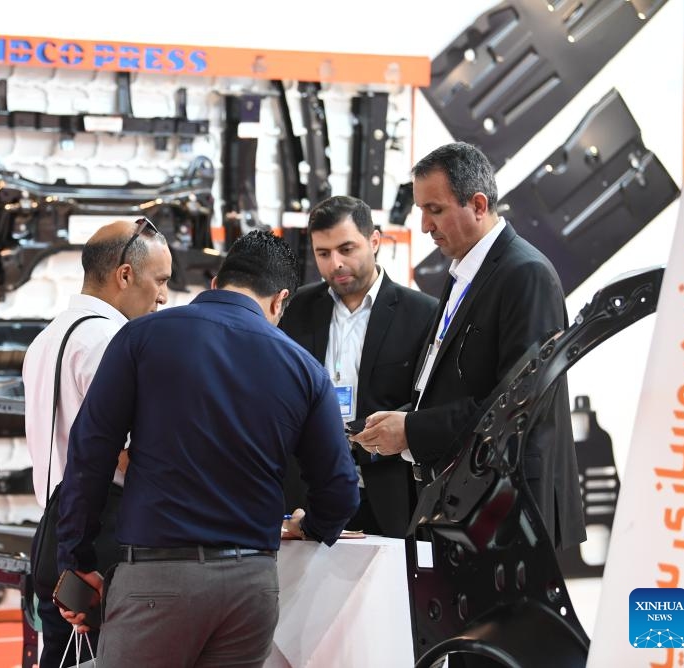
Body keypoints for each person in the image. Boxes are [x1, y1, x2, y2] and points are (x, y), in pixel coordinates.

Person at [55, 230, 359, 668]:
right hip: (251, 586)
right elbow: (340, 490)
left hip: (157, 578)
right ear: (280, 301)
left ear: (215, 283)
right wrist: (311, 526)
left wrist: (76, 557)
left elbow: (90, 454)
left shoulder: (140, 337)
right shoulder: (305, 369)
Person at [354, 142, 586, 550]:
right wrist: (405, 418)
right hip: (467, 502)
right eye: (421, 210)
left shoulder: (525, 274)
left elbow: (517, 405)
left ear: (478, 205)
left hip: (508, 511)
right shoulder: (466, 270)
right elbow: (457, 383)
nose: (424, 226)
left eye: (435, 210)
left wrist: (411, 430)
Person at [22, 218, 173, 668]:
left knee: (62, 657)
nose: (164, 296)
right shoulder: (112, 341)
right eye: (160, 280)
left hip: (55, 531)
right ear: (125, 275)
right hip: (102, 538)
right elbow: (127, 454)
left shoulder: (46, 338)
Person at [279, 195, 437, 538]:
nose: (335, 263)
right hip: (308, 497)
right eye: (323, 253)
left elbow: (428, 401)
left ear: (374, 241)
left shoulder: (422, 313)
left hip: (388, 496)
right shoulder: (294, 309)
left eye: (346, 249)